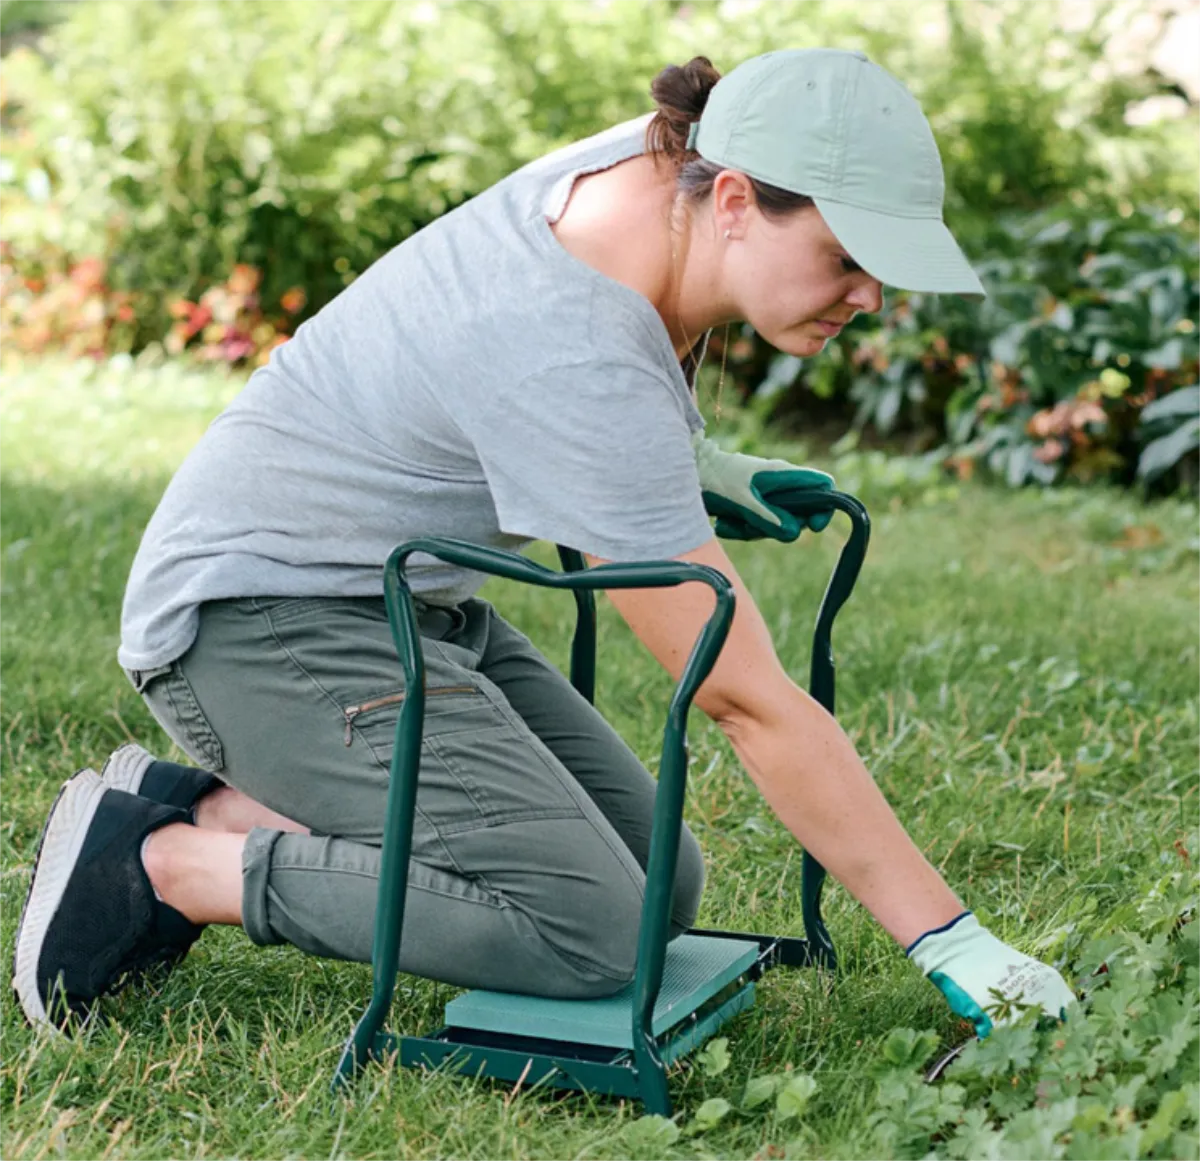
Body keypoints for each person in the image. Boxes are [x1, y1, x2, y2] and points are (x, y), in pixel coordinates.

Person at [14, 48, 1074, 1040]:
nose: (871, 299)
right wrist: (950, 935)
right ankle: (165, 862)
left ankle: (212, 802)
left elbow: (538, 386)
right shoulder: (575, 343)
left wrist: (697, 467)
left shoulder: (664, 168)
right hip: (252, 627)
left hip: (401, 605)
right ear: (741, 199)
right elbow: (742, 698)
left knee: (662, 884)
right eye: (847, 259)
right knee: (594, 933)